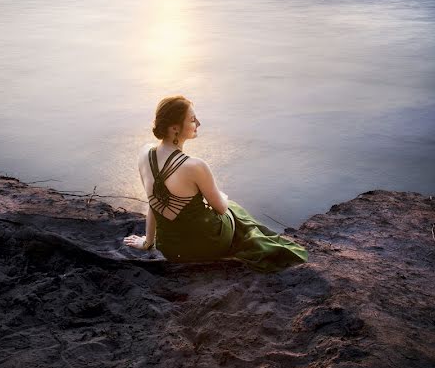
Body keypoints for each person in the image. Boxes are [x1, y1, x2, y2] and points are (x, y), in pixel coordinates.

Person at [122, 95, 308, 273]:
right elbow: (220, 208)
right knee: (232, 207)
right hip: (208, 245)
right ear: (175, 128)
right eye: (193, 119)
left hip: (170, 249)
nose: (199, 123)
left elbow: (153, 203)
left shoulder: (144, 153)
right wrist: (221, 197)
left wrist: (147, 242)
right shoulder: (195, 166)